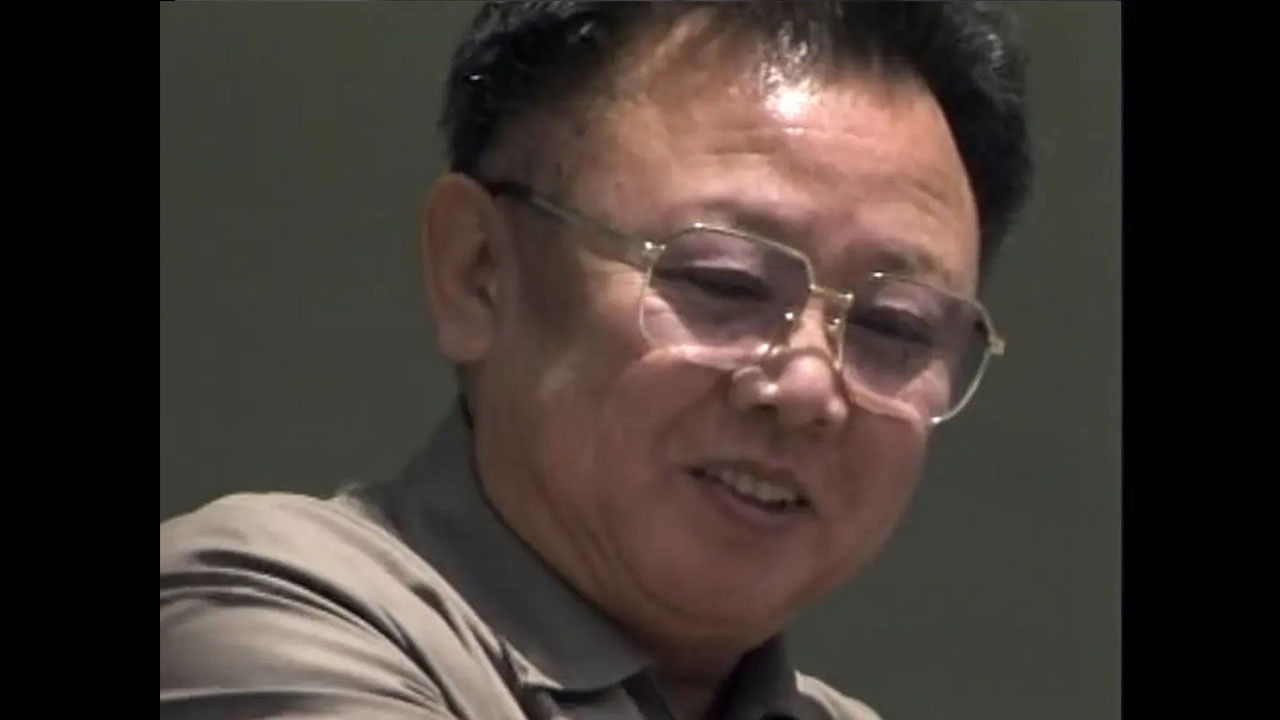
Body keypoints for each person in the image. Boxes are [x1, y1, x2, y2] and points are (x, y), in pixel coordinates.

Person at [159, 2, 1031, 718]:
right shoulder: (257, 610)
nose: (807, 385)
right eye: (724, 282)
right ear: (479, 272)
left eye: (895, 326)